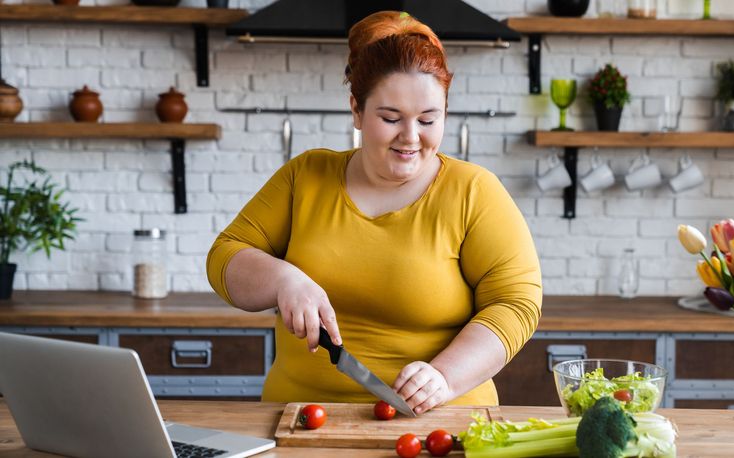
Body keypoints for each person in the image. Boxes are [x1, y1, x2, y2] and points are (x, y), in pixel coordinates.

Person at [207, 11, 542, 414]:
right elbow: (225, 255)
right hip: (296, 418)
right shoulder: (306, 177)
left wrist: (445, 376)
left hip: (438, 422)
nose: (411, 137)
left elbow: (516, 303)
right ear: (356, 110)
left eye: (428, 119)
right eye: (390, 118)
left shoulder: (474, 192)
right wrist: (282, 279)